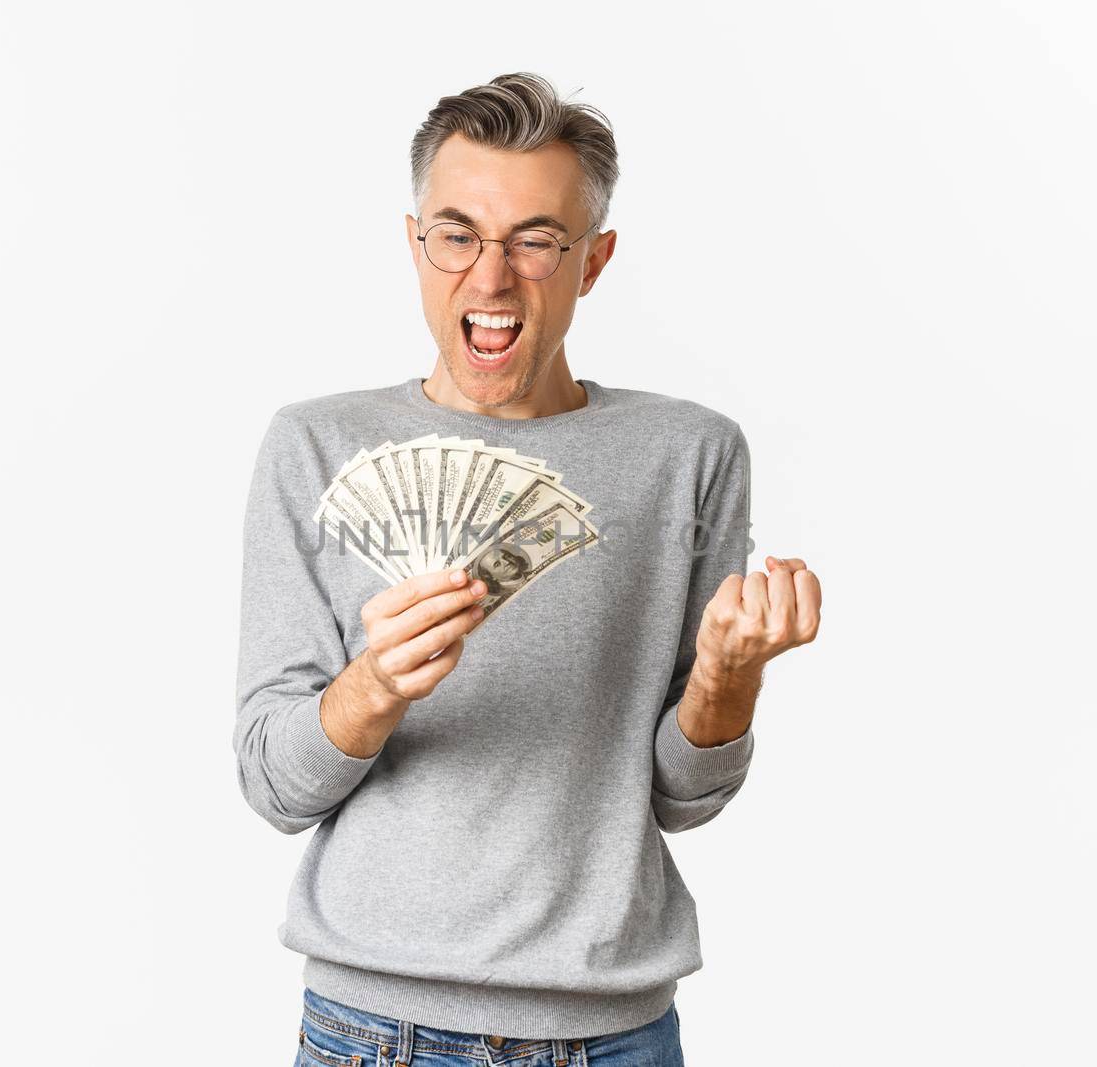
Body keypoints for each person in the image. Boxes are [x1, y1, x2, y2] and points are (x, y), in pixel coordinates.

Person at [234, 72, 822, 1066]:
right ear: (414, 244)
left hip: (612, 1030)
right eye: (457, 235)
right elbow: (272, 782)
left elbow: (684, 795)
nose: (491, 278)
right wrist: (371, 690)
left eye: (535, 241)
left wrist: (730, 676)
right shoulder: (314, 444)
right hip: (374, 1030)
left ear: (592, 260)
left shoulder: (688, 453)